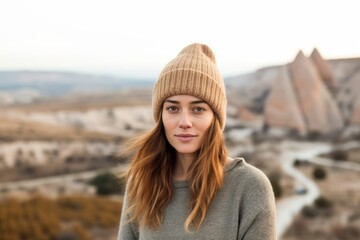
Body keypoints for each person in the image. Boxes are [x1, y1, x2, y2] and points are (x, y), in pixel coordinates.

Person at [118, 43, 276, 239]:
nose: (185, 122)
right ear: (161, 116)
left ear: (215, 118)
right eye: (173, 109)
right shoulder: (142, 181)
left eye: (198, 109)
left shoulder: (250, 187)